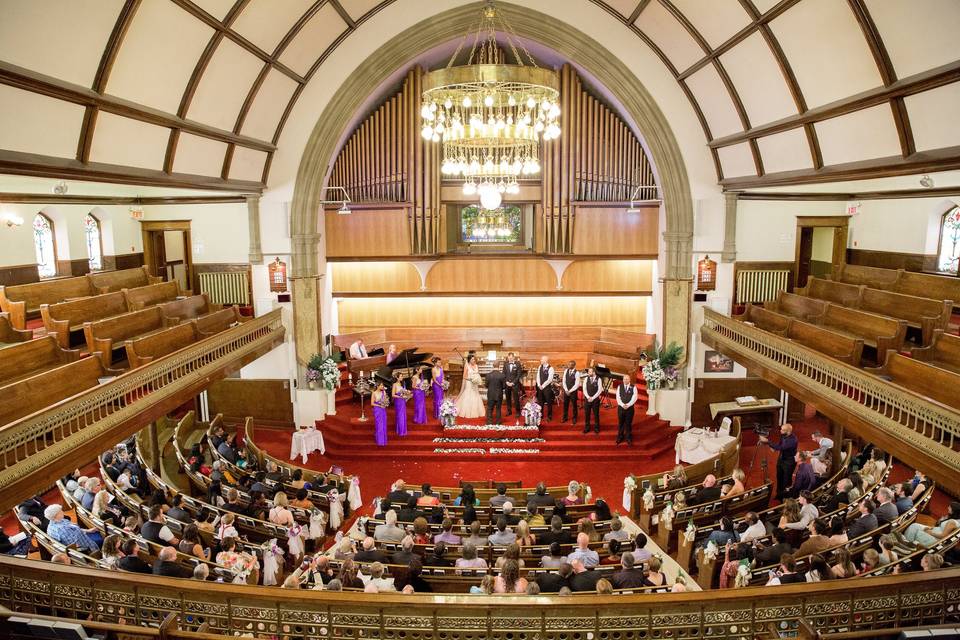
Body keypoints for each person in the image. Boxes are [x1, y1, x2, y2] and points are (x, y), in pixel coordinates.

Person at [759, 423, 798, 501]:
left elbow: (781, 447)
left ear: (789, 431)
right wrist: (773, 447)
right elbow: (779, 444)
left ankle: (785, 497)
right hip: (781, 459)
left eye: (783, 430)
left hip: (789, 462)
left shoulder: (793, 440)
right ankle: (779, 494)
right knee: (779, 477)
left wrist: (768, 442)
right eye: (781, 429)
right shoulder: (783, 435)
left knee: (786, 480)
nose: (780, 431)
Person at [455, 354, 485, 419]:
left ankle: (475, 411)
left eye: (474, 359)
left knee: (475, 395)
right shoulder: (467, 366)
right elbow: (464, 376)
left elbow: (477, 374)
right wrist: (470, 379)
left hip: (475, 384)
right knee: (468, 395)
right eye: (472, 359)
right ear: (469, 360)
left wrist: (477, 379)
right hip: (469, 383)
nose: (474, 360)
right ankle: (466, 411)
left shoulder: (476, 366)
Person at [615, 374, 637, 445]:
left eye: (627, 379)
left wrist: (628, 405)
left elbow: (635, 397)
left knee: (628, 424)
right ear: (623, 380)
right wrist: (622, 405)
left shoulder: (633, 387)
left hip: (629, 409)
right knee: (621, 423)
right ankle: (620, 437)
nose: (625, 380)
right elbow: (618, 397)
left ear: (629, 380)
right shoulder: (619, 387)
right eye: (624, 379)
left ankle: (628, 437)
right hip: (621, 409)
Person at [535, 356, 556, 421]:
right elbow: (538, 376)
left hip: (547, 388)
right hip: (540, 388)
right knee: (540, 402)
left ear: (545, 360)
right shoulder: (540, 366)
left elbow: (550, 379)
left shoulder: (551, 368)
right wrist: (539, 385)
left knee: (549, 402)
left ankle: (549, 416)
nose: (540, 360)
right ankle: (540, 414)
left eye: (541, 359)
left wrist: (543, 386)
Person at [582, 366, 602, 434]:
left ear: (594, 372)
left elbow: (599, 390)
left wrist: (592, 398)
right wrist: (588, 397)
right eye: (588, 372)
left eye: (590, 372)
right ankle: (587, 427)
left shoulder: (599, 379)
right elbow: (584, 389)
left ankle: (597, 427)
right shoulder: (586, 379)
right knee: (587, 414)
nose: (589, 373)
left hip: (595, 400)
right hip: (587, 400)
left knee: (596, 414)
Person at [561, 360, 580, 425]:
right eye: (568, 364)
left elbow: (577, 384)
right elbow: (564, 381)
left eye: (570, 365)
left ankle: (574, 418)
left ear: (573, 365)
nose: (568, 366)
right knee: (565, 405)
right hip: (566, 391)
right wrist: (566, 390)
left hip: (573, 392)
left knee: (574, 405)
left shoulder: (577, 373)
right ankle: (565, 417)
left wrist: (570, 391)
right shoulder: (566, 371)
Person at [372, 382, 389, 447]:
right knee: (379, 425)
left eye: (382, 385)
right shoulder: (374, 393)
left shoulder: (383, 392)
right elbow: (372, 403)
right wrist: (379, 405)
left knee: (383, 424)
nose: (382, 386)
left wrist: (385, 403)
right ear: (377, 386)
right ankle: (379, 440)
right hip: (377, 410)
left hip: (383, 410)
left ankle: (383, 439)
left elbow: (385, 400)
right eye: (381, 385)